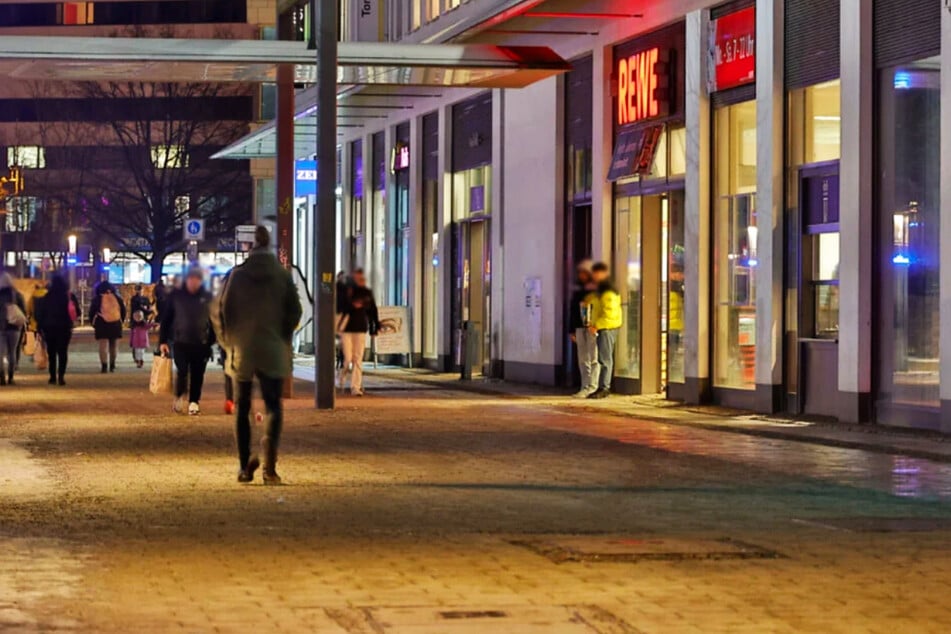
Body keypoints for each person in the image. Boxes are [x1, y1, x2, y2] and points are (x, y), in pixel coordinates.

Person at [216, 226, 302, 484]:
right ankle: (270, 466)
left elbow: (224, 310)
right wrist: (282, 336)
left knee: (243, 407)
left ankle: (245, 465)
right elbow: (295, 311)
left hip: (242, 348)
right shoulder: (282, 275)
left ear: (250, 247)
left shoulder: (238, 275)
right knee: (273, 404)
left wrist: (230, 340)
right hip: (273, 347)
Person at [159, 267, 214, 416]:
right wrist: (163, 340)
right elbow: (166, 319)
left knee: (198, 374)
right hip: (180, 341)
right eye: (191, 279)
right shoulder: (176, 296)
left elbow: (215, 320)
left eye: (197, 279)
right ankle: (179, 395)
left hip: (201, 343)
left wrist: (212, 341)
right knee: (182, 371)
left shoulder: (207, 297)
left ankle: (194, 402)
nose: (193, 282)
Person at [338, 268, 378, 397]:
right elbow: (340, 306)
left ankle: (355, 387)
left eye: (361, 278)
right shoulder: (347, 291)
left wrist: (374, 327)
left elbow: (373, 310)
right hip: (347, 329)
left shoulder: (366, 293)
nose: (360, 280)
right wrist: (352, 305)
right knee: (348, 358)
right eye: (357, 278)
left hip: (360, 328)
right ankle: (342, 376)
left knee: (357, 359)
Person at [587, 262, 622, 400]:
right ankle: (602, 387)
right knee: (603, 358)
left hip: (607, 327)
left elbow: (610, 312)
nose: (594, 276)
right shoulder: (602, 290)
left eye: (596, 273)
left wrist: (597, 325)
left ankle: (605, 387)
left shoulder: (608, 291)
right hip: (604, 327)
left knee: (605, 359)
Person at [38, 274, 79, 386]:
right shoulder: (69, 296)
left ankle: (52, 377)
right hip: (64, 327)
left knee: (51, 353)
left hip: (49, 328)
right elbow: (77, 312)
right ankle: (61, 376)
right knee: (62, 352)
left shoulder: (47, 297)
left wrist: (39, 327)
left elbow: (41, 313)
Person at [568, 260, 599, 398]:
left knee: (593, 358)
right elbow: (573, 311)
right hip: (580, 327)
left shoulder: (596, 290)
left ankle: (592, 386)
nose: (582, 276)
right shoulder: (577, 290)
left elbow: (600, 310)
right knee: (583, 358)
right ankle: (585, 386)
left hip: (592, 327)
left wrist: (597, 325)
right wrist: (571, 330)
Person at [89, 281, 126, 373]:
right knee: (114, 346)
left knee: (103, 345)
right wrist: (121, 320)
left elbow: (91, 312)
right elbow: (123, 311)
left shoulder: (97, 299)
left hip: (102, 323)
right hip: (116, 324)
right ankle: (112, 365)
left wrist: (93, 323)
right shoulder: (118, 298)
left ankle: (104, 366)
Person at [0, 273, 26, 386]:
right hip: (14, 328)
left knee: (1, 353)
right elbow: (23, 311)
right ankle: (11, 377)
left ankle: (1, 377)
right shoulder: (17, 295)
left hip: (0, 328)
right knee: (12, 352)